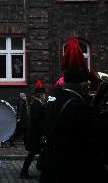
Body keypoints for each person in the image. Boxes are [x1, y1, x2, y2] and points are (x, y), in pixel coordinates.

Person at [39, 37, 108, 183]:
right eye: (87, 83)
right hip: (71, 172)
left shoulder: (53, 98)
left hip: (51, 170)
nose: (89, 86)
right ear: (82, 84)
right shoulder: (80, 108)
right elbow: (98, 139)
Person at [20, 80, 46, 178]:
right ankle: (24, 171)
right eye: (44, 95)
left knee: (37, 153)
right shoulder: (36, 104)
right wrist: (43, 129)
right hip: (36, 135)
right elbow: (36, 119)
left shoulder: (38, 103)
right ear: (40, 95)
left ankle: (40, 168)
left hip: (37, 134)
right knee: (32, 154)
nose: (45, 96)